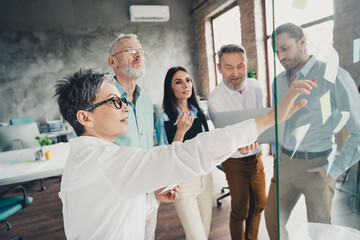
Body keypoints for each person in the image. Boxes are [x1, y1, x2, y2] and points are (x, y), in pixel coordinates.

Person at [55, 68, 315, 239]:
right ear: (84, 117)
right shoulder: (105, 160)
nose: (125, 107)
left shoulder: (87, 159)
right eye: (114, 101)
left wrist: (151, 200)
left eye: (122, 100)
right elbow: (188, 154)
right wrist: (271, 118)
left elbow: (108, 216)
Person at [264, 23, 360, 240]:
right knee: (272, 221)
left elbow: (358, 130)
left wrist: (336, 168)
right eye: (276, 51)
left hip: (317, 166)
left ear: (302, 42)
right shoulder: (278, 82)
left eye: (285, 48)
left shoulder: (333, 76)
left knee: (320, 233)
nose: (280, 56)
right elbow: (278, 121)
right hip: (284, 163)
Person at [208, 44, 267, 240]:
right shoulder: (216, 99)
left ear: (246, 64)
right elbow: (226, 137)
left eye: (240, 66)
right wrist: (241, 142)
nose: (235, 73)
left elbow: (261, 120)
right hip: (234, 161)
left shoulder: (256, 87)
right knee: (240, 209)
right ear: (219, 68)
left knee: (259, 203)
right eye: (228, 67)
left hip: (256, 156)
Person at [107, 33, 159, 240]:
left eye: (141, 51)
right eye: (130, 50)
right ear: (112, 62)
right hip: (120, 190)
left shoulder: (146, 101)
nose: (139, 55)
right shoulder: (103, 100)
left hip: (148, 185)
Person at [155, 66, 212, 240]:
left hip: (205, 179)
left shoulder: (199, 113)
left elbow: (206, 146)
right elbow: (167, 158)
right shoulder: (164, 120)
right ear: (170, 88)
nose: (185, 85)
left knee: (205, 231)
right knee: (197, 236)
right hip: (184, 184)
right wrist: (180, 131)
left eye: (188, 80)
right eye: (178, 82)